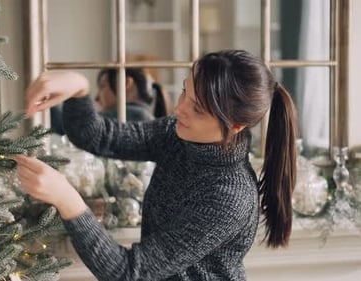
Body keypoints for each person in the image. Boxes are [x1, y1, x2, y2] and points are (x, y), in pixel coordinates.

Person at [16, 50, 297, 280]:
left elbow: (128, 273)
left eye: (197, 108)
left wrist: (67, 200)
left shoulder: (228, 197)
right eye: (185, 92)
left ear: (235, 125)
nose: (179, 109)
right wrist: (79, 88)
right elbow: (101, 136)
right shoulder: (177, 135)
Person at [95, 67, 171, 121]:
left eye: (102, 86)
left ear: (125, 83)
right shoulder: (146, 116)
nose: (96, 97)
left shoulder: (133, 115)